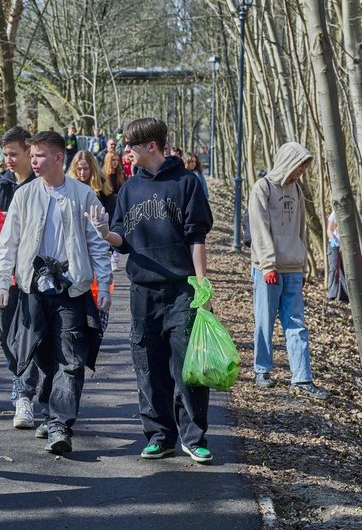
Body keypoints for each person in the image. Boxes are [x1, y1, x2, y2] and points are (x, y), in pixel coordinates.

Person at [87, 117, 215, 464]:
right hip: (142, 291)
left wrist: (201, 284)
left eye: (131, 146)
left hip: (182, 289)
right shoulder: (129, 189)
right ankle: (160, 435)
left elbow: (196, 237)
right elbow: (121, 240)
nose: (125, 151)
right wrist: (102, 231)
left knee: (188, 366)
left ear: (152, 146)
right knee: (148, 364)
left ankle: (194, 436)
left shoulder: (186, 183)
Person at [0, 131, 111, 454]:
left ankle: (60, 423)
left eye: (40, 155)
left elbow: (97, 245)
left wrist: (105, 285)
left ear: (59, 158)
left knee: (71, 357)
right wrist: (3, 283)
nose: (33, 161)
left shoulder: (83, 195)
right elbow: (9, 244)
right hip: (33, 288)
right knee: (41, 355)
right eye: (32, 155)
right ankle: (49, 410)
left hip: (71, 288)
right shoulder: (24, 196)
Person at [248, 142, 329, 400]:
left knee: (296, 324)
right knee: (265, 320)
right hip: (267, 269)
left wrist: (303, 264)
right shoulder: (262, 188)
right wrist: (269, 264)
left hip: (293, 267)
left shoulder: (296, 190)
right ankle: (262, 370)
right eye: (300, 165)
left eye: (305, 166)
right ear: (288, 162)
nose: (302, 170)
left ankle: (302, 377)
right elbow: (259, 229)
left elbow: (301, 229)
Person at [0, 126, 40, 422]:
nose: (8, 159)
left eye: (13, 154)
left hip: (32, 275)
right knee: (6, 333)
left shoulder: (40, 186)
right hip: (2, 275)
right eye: (4, 154)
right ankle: (18, 377)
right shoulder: (0, 185)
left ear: (27, 152)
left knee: (29, 335)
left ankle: (24, 395)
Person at [68, 150, 115, 217]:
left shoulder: (102, 185)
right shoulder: (70, 186)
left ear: (92, 168)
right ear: (74, 169)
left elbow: (110, 213)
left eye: (86, 169)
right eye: (79, 169)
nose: (82, 173)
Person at [326, 211, 348, 302]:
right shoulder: (335, 213)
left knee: (346, 269)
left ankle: (345, 295)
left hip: (347, 245)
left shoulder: (354, 212)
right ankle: (331, 295)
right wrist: (333, 239)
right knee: (334, 268)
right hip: (334, 244)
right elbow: (329, 229)